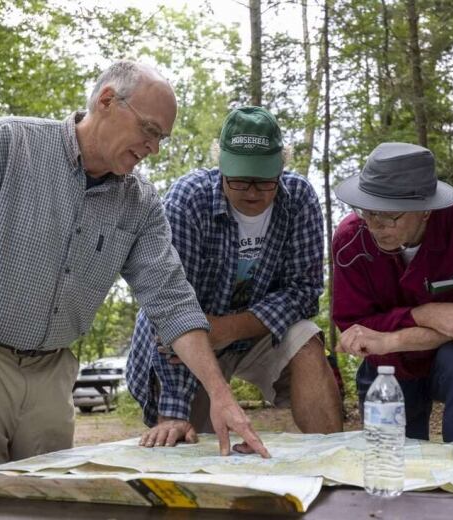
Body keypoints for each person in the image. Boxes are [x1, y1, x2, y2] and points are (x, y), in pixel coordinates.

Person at [0, 61, 269, 490]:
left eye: (161, 137)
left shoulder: (139, 202)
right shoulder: (6, 144)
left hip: (52, 376)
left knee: (50, 505)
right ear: (106, 100)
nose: (154, 147)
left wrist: (219, 393)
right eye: (150, 130)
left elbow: (171, 300)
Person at [127, 106, 343, 448]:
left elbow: (303, 291)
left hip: (258, 332)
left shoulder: (299, 198)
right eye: (240, 180)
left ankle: (335, 456)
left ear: (281, 166)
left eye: (264, 180)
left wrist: (227, 329)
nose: (253, 192)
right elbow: (170, 308)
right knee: (187, 441)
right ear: (221, 166)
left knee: (306, 339)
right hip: (191, 338)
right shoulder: (188, 200)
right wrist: (173, 412)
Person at [331, 142, 453, 445]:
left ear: (426, 209)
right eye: (368, 212)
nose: (375, 226)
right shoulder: (350, 238)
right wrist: (423, 314)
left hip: (451, 361)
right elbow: (357, 328)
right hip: (389, 367)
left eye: (390, 216)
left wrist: (391, 338)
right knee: (392, 467)